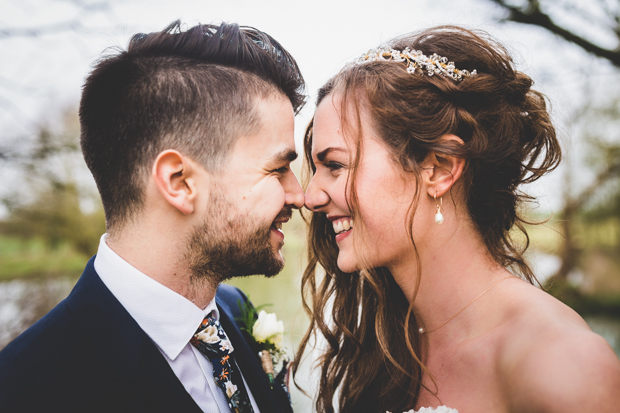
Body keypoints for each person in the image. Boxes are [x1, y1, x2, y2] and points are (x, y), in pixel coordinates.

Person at [294, 26, 620, 413]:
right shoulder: (388, 341)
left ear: (439, 169)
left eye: (335, 165)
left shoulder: (560, 364)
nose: (310, 197)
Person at [0, 21, 305, 413]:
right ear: (179, 182)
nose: (301, 195)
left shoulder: (235, 309)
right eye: (278, 168)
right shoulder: (25, 390)